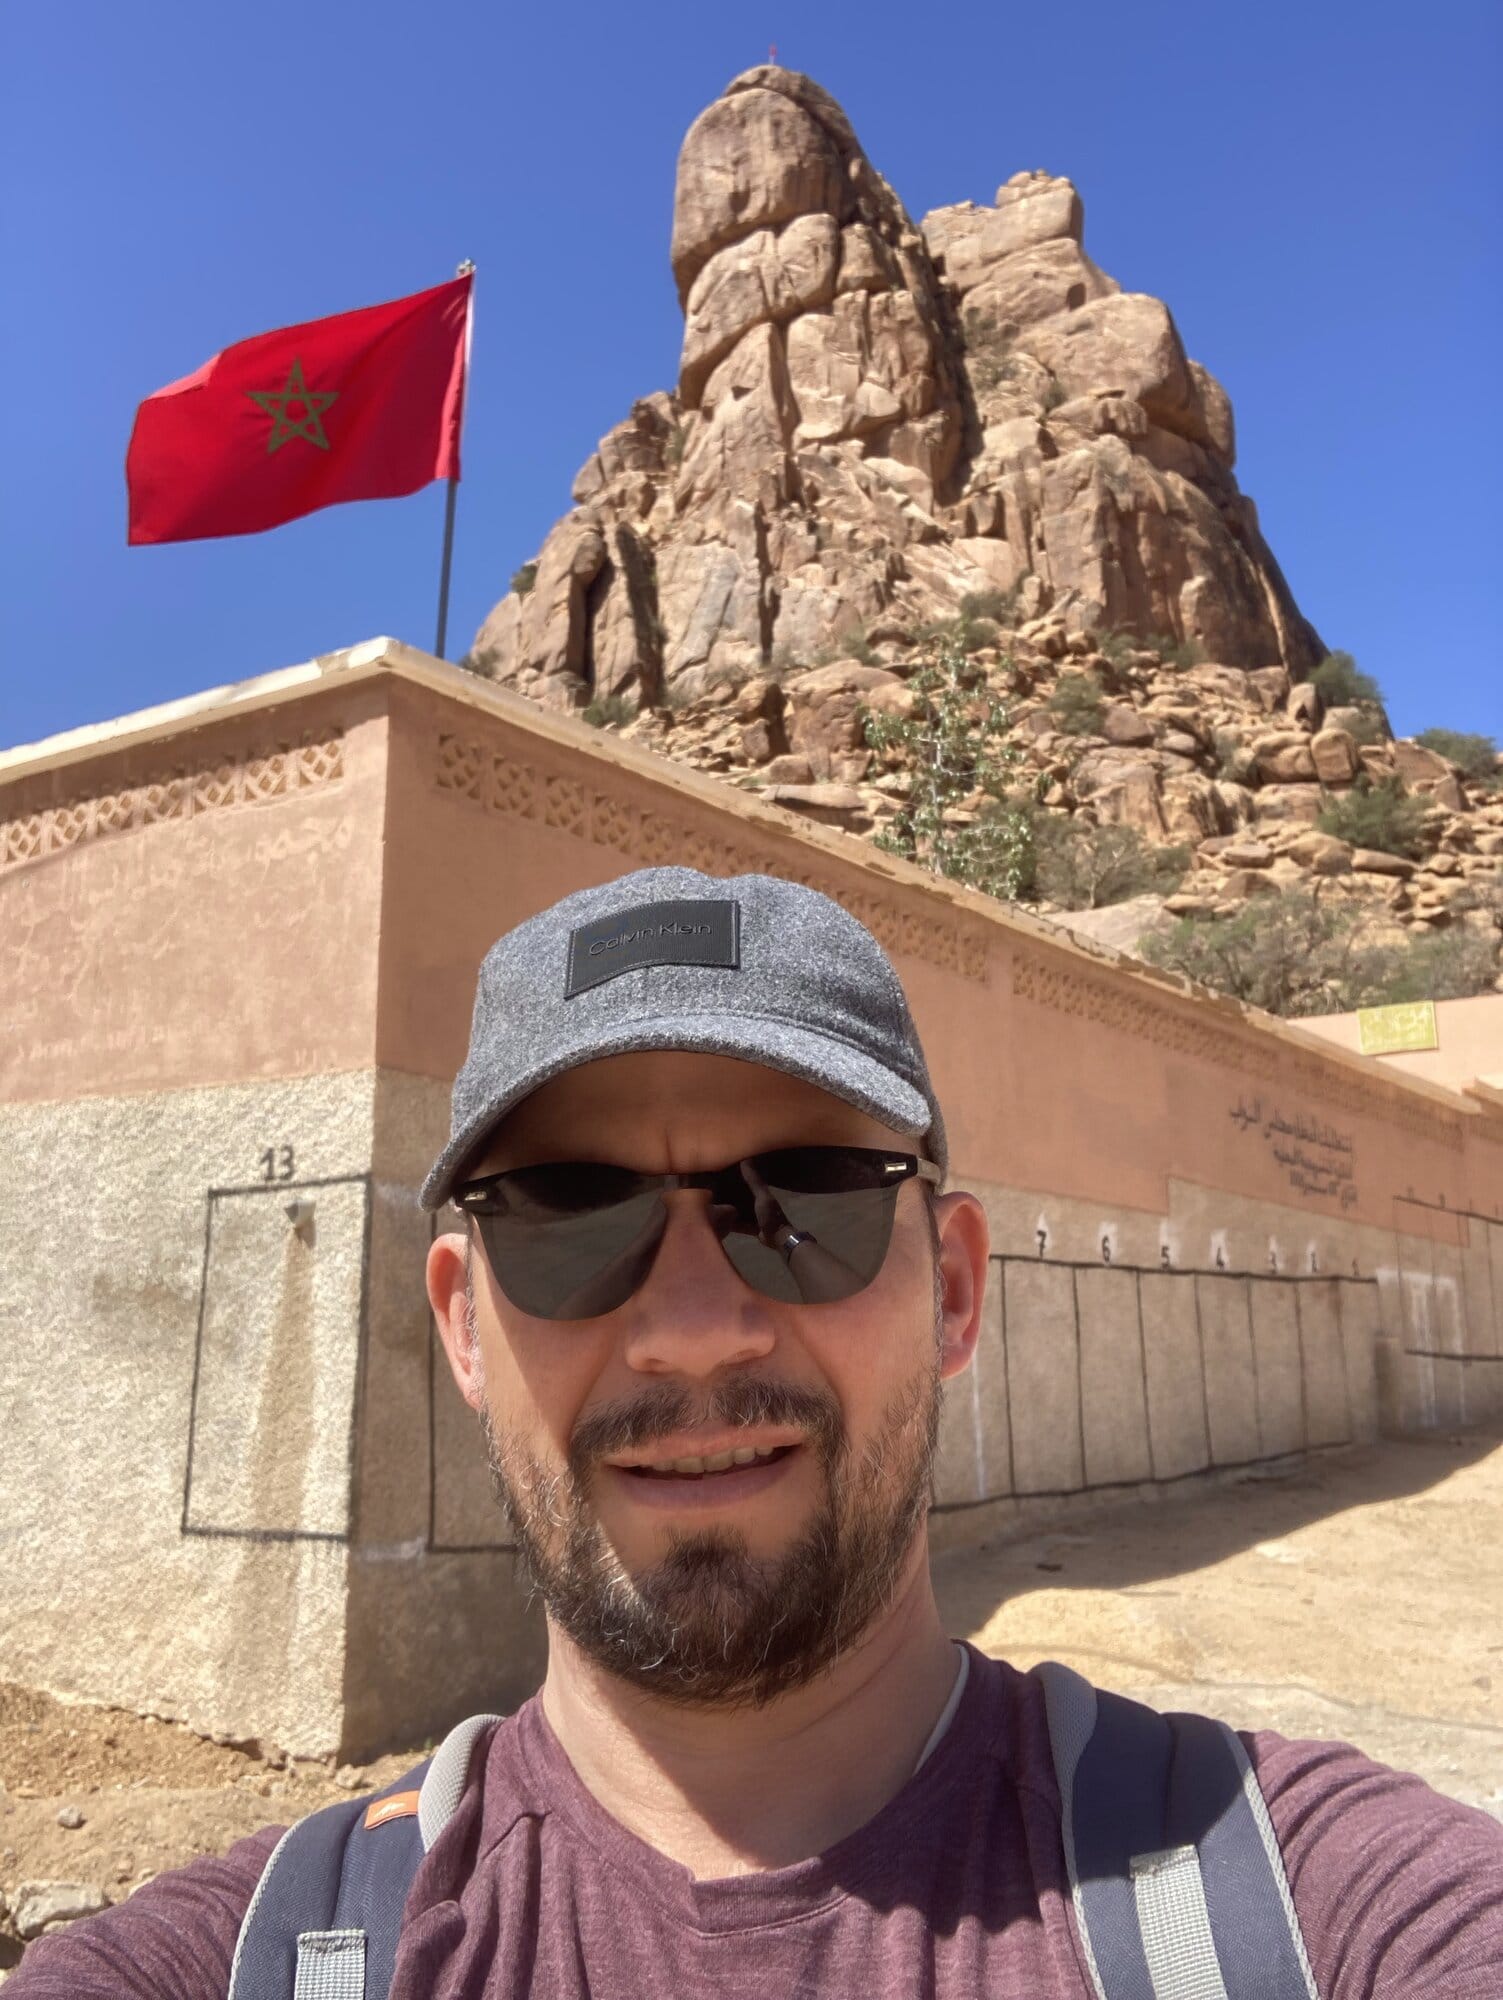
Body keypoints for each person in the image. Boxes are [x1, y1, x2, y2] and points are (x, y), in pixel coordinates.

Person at [13, 866, 1502, 1997]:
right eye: (567, 1219)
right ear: (465, 1324)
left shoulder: (1292, 1900)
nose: (693, 1327)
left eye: (804, 1205)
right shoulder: (265, 1955)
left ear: (958, 1289)